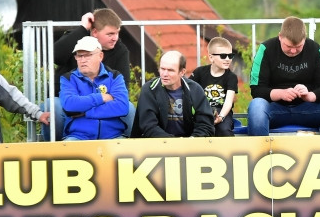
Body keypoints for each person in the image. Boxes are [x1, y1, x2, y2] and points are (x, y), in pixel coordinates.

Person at [247, 16, 320, 136]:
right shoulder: (266, 49)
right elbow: (256, 90)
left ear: (304, 39)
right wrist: (280, 94)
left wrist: (311, 96)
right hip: (275, 110)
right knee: (256, 106)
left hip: (309, 109)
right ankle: (261, 152)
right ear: (280, 37)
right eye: (288, 46)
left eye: (298, 47)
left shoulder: (314, 49)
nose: (293, 51)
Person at [47, 8, 135, 139]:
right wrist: (82, 28)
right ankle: (57, 147)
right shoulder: (76, 40)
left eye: (117, 33)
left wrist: (86, 111)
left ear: (101, 56)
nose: (115, 38)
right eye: (110, 34)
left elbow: (122, 94)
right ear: (94, 32)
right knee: (54, 105)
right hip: (70, 99)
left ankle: (125, 139)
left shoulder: (120, 50)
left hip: (95, 105)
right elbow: (55, 56)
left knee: (129, 108)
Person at [56, 36, 131, 141]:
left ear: (100, 56)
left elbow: (122, 107)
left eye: (87, 55)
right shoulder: (68, 78)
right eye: (79, 55)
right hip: (78, 136)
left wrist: (86, 112)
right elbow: (70, 105)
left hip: (113, 136)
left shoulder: (115, 76)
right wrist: (101, 97)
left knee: (128, 151)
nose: (82, 60)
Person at [133, 50, 215, 138]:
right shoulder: (149, 90)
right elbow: (148, 126)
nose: (165, 74)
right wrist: (174, 142)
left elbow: (205, 125)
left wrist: (191, 141)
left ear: (182, 72)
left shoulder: (195, 90)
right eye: (162, 69)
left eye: (170, 70)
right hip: (157, 145)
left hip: (190, 144)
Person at [189, 37, 239, 136]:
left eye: (230, 55)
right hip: (202, 110)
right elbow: (188, 92)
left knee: (224, 130)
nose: (228, 59)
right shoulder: (199, 72)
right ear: (211, 57)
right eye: (223, 56)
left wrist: (221, 117)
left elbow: (228, 102)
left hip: (222, 112)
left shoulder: (231, 77)